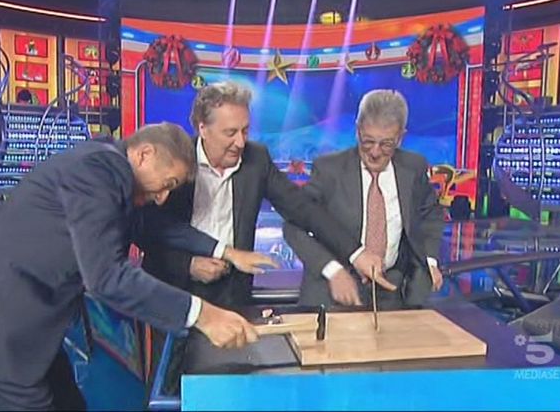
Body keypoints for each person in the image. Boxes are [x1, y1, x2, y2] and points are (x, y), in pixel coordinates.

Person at [0, 123, 274, 411]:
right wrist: (203, 315)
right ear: (144, 155)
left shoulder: (111, 175)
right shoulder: (98, 171)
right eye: (168, 183)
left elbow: (154, 226)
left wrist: (226, 251)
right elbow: (107, 277)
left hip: (29, 328)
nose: (163, 198)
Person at [142, 81, 390, 310]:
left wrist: (356, 253)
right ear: (203, 128)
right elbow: (150, 231)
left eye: (245, 131)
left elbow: (303, 209)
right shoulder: (176, 162)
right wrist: (188, 266)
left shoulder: (256, 159)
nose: (240, 142)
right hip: (176, 292)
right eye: (230, 133)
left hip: (232, 296)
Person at [283, 89, 445, 310]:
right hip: (334, 293)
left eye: (386, 144)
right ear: (358, 130)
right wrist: (332, 270)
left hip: (392, 293)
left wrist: (430, 261)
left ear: (400, 137)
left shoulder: (413, 167)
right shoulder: (329, 170)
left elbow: (431, 214)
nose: (375, 152)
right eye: (368, 141)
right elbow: (294, 224)